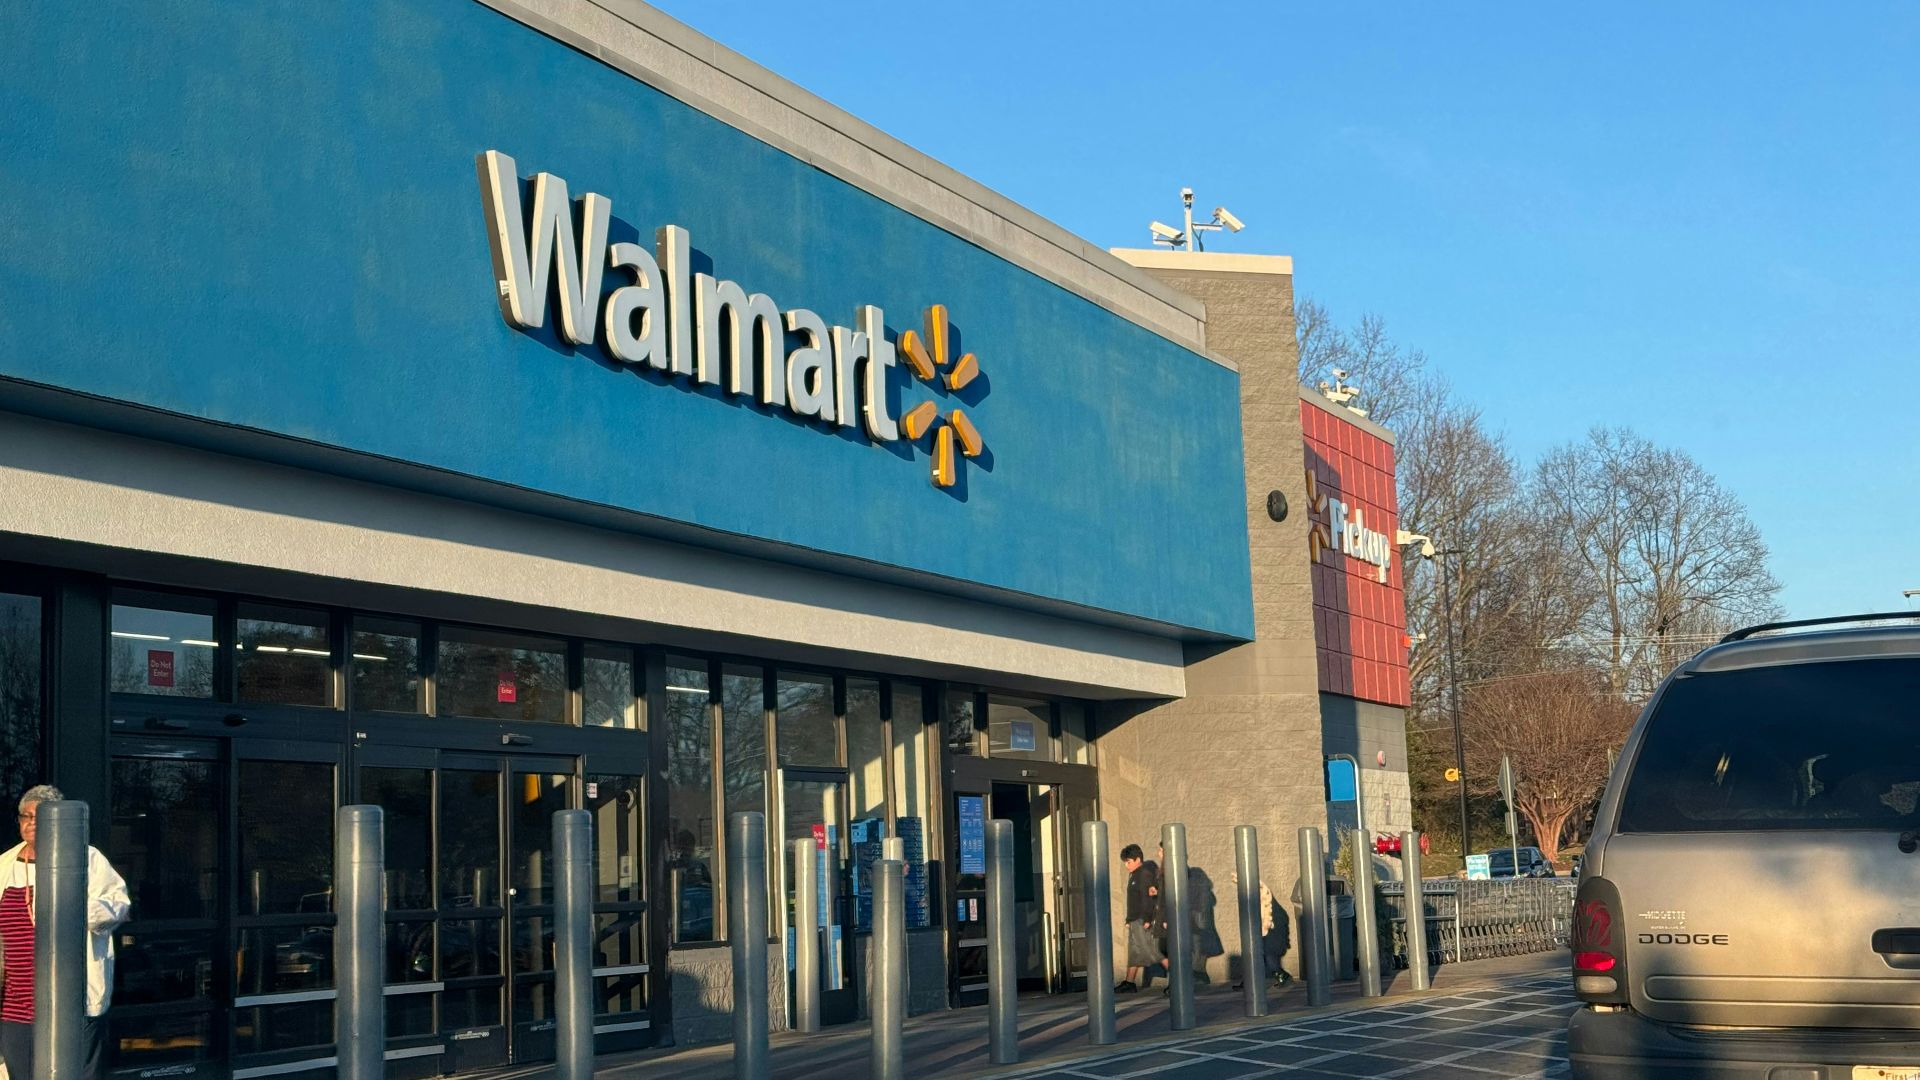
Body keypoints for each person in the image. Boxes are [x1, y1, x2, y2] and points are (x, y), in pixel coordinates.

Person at [0, 785, 130, 1080]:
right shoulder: (4, 865)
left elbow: (119, 906)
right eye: (25, 816)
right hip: (15, 1007)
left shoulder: (87, 858)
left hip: (70, 1002)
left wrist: (69, 902)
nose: (31, 823)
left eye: (39, 817)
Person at [1116, 843, 1161, 993]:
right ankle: (1129, 982)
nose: (1126, 865)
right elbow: (1133, 902)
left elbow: (1148, 899)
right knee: (1134, 952)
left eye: (1128, 862)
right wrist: (1129, 920)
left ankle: (1178, 979)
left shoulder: (1144, 874)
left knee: (1154, 952)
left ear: (1137, 860)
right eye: (1125, 862)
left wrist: (1147, 919)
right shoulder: (1134, 875)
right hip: (1135, 920)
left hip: (1142, 920)